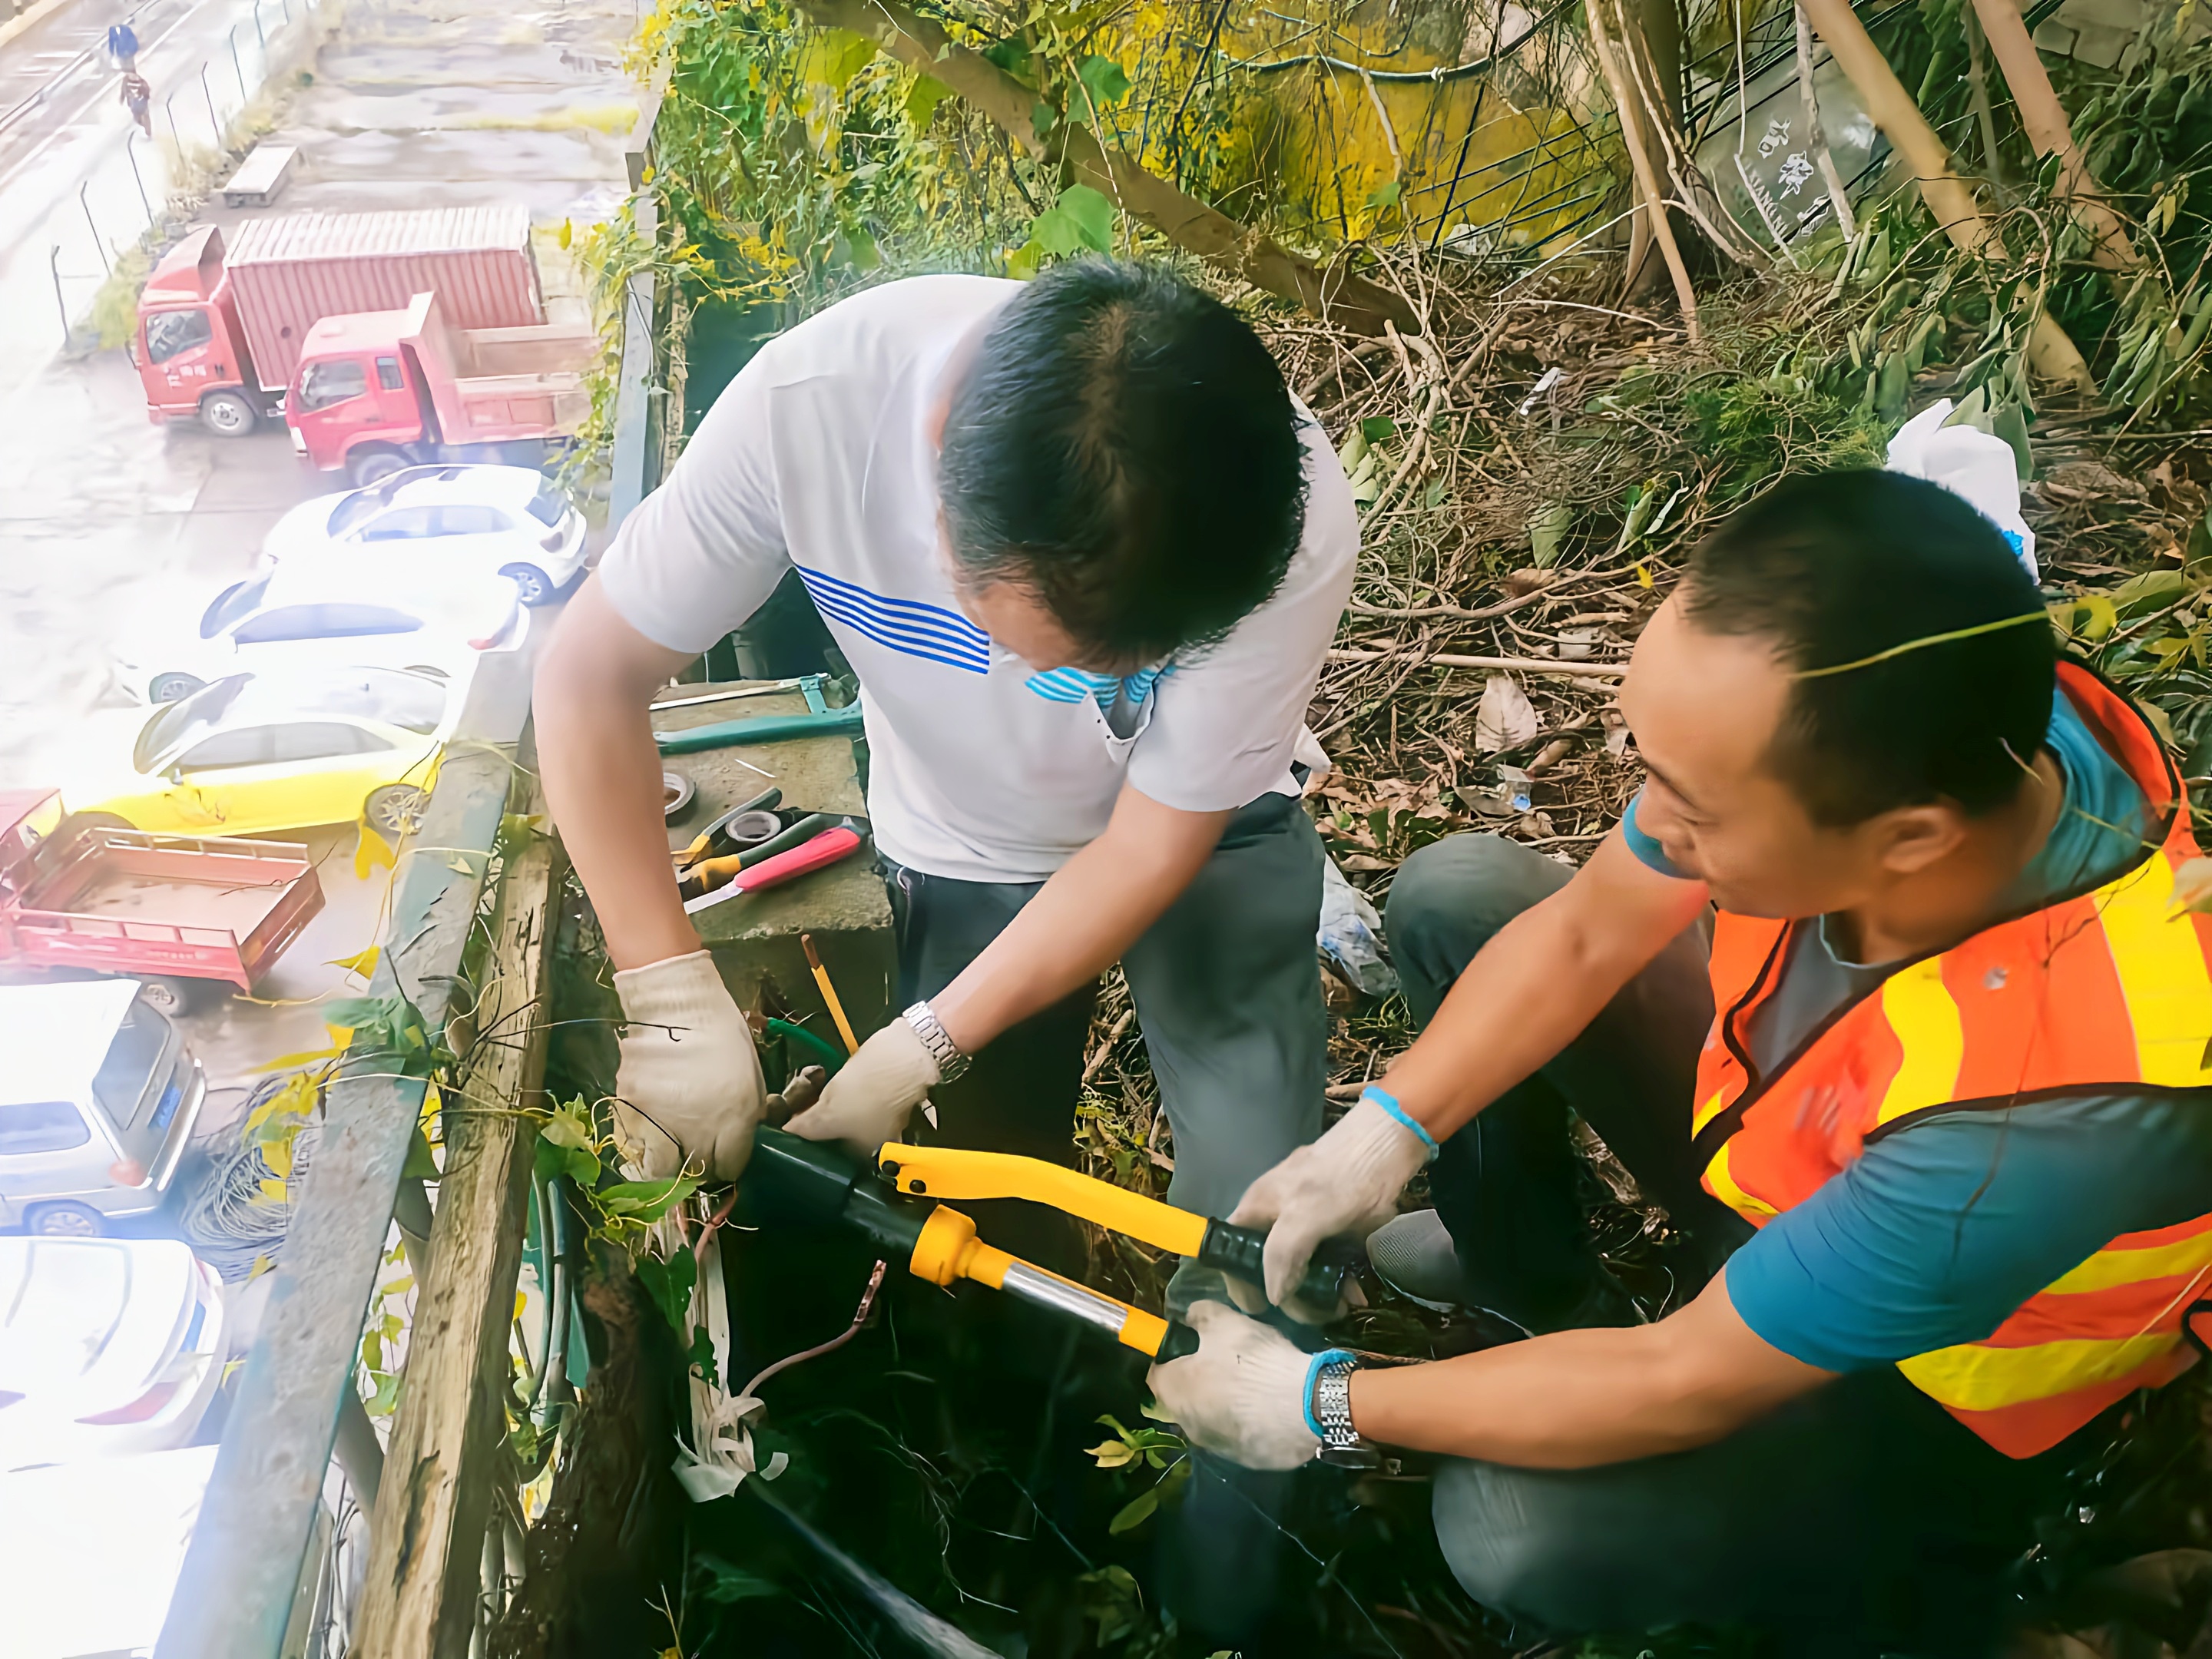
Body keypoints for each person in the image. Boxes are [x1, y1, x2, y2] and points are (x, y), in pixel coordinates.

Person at [1150, 470, 2212, 1648]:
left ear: (1910, 838)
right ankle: (1537, 1293)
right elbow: (1588, 929)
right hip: (1792, 1158)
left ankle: (1906, 1593)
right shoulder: (1940, 713)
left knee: (1512, 1525)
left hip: (1919, 1378)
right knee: (1468, 894)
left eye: (1689, 798)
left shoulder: (2050, 1117)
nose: (1651, 815)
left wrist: (1319, 1406)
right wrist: (1379, 1132)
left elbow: (1684, 1377)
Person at [534, 260, 1356, 1267]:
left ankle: (1239, 1387)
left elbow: (1148, 846)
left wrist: (926, 1037)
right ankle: (1028, 1386)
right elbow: (588, 675)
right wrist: (664, 991)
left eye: (1120, 669)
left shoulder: (1274, 512)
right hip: (966, 837)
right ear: (935, 473)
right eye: (1028, 646)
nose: (1066, 700)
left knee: (1259, 1199)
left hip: (1212, 822)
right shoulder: (809, 419)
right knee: (979, 1181)